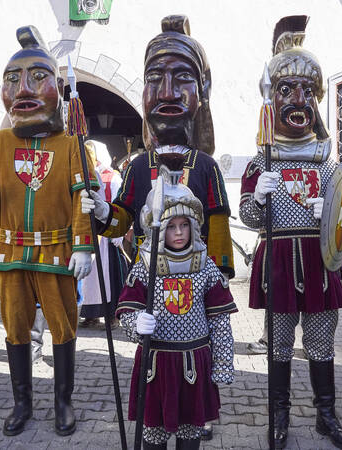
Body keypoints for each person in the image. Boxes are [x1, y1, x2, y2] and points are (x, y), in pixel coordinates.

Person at [81, 15, 235, 440]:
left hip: (194, 281)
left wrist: (215, 282)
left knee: (191, 355)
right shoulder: (137, 168)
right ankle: (158, 415)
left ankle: (192, 411)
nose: (167, 92)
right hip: (148, 278)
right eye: (155, 78)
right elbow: (120, 222)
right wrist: (101, 213)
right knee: (154, 361)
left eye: (181, 78)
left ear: (202, 91)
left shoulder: (205, 167)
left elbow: (218, 232)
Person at [0, 25, 96, 436]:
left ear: (57, 87)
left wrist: (84, 246)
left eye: (37, 78)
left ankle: (63, 402)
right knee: (16, 327)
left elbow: (82, 199)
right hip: (10, 253)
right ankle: (22, 402)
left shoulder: (71, 142)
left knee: (63, 326)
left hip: (57, 251)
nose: (23, 88)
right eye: (13, 80)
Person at [239, 16, 342, 449]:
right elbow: (249, 217)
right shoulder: (261, 162)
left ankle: (327, 416)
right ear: (272, 99)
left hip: (320, 261)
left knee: (322, 342)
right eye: (287, 90)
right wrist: (260, 199)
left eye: (307, 91)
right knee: (280, 345)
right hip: (280, 263)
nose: (299, 99)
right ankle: (278, 418)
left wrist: (333, 213)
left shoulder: (328, 162)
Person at [115, 162, 237, 450]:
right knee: (154, 434)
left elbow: (220, 320)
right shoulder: (146, 265)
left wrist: (222, 363)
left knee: (189, 433)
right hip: (156, 364)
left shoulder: (205, 266)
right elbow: (126, 309)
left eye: (184, 225)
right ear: (159, 227)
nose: (179, 233)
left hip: (194, 361)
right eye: (171, 226)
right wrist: (135, 323)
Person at [79, 140, 127, 327]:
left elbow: (119, 204)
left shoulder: (112, 177)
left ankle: (112, 315)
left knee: (110, 276)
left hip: (108, 234)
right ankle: (91, 313)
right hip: (92, 232)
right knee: (91, 278)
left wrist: (118, 234)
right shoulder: (85, 174)